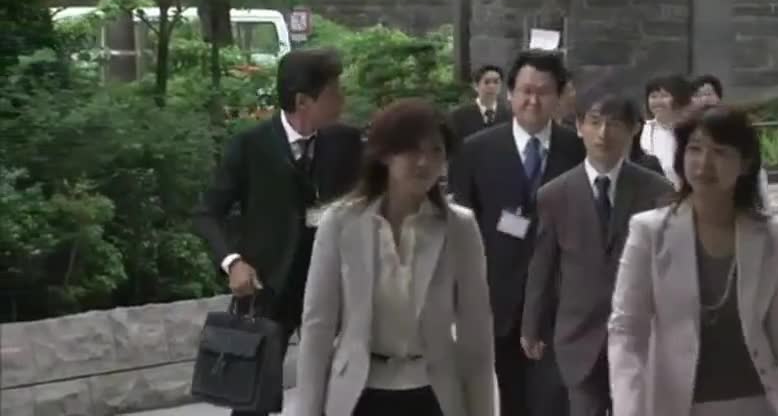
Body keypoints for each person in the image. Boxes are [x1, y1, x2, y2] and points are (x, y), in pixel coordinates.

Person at [609, 105, 778, 416]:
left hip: (760, 403)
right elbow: (627, 331)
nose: (704, 163)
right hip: (676, 404)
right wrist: (628, 408)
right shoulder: (649, 231)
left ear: (745, 163)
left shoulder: (774, 235)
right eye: (695, 149)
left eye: (720, 152)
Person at [296, 98, 495, 416]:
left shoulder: (459, 227)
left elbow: (477, 335)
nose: (425, 162)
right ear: (385, 154)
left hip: (433, 393)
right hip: (358, 393)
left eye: (436, 151)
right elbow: (317, 326)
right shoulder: (341, 223)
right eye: (412, 150)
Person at [192, 48, 363, 416]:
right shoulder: (250, 146)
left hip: (332, 285)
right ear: (303, 101)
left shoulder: (346, 142)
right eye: (333, 92)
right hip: (268, 288)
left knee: (341, 390)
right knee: (252, 401)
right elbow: (207, 212)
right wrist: (232, 262)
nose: (343, 99)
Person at [451, 49, 586, 416]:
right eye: (525, 91)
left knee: (552, 402)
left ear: (559, 96)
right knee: (506, 400)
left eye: (543, 92)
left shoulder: (577, 151)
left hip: (560, 301)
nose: (533, 101)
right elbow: (462, 225)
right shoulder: (476, 150)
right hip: (497, 300)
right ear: (510, 93)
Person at [521, 92, 672, 416]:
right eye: (594, 122)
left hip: (641, 335)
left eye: (614, 124)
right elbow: (543, 263)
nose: (603, 133)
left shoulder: (657, 190)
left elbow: (670, 266)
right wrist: (531, 324)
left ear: (633, 129)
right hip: (578, 335)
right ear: (579, 127)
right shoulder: (555, 194)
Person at [690, 73, 773, 209]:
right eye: (698, 95)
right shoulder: (686, 130)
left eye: (708, 94)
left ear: (719, 96)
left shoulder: (735, 125)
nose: (704, 99)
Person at [639, 74, 693, 185]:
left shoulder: (689, 131)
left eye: (664, 96)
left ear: (679, 98)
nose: (658, 101)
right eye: (653, 96)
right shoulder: (641, 129)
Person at [450, 64, 511, 141]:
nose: (492, 86)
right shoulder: (459, 115)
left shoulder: (509, 114)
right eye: (487, 82)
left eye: (496, 82)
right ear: (475, 86)